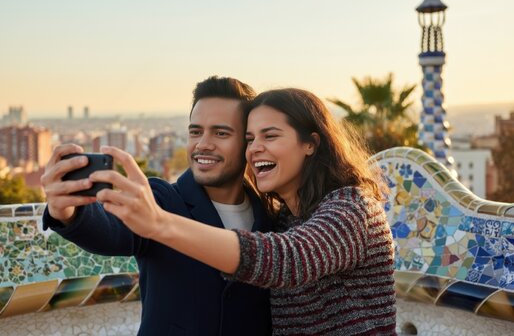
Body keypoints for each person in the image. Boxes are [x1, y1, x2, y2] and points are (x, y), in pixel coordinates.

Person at [90, 88, 397, 335]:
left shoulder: (354, 209)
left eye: (270, 136)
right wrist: (71, 213)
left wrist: (160, 224)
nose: (255, 148)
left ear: (310, 144)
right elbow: (107, 231)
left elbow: (287, 260)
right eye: (250, 139)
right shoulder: (281, 219)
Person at [40, 76, 272, 336]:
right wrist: (67, 211)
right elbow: (110, 231)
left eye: (221, 133)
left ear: (249, 142)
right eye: (195, 131)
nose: (203, 144)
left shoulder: (271, 215)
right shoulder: (161, 200)